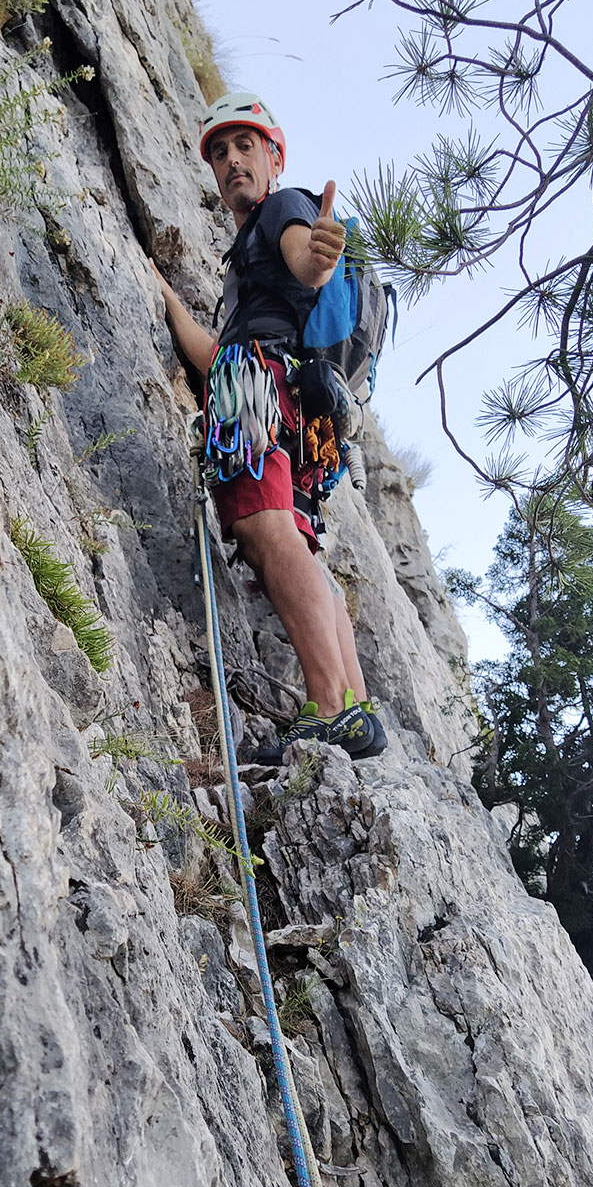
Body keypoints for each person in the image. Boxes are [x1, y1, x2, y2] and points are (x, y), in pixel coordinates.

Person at [152, 92, 386, 763]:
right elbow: (215, 353)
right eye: (220, 152)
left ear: (274, 156)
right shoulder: (248, 252)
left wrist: (319, 256)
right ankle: (355, 706)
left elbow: (306, 261)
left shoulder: (281, 211)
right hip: (298, 409)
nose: (232, 160)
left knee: (264, 528)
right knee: (296, 546)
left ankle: (330, 707)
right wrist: (166, 297)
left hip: (258, 390)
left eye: (245, 145)